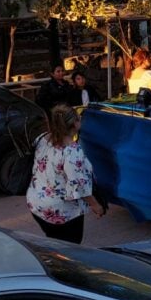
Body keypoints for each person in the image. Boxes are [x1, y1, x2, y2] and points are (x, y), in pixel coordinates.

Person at [26, 104, 105, 243]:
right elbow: (78, 186)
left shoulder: (42, 139)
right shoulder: (72, 152)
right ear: (75, 124)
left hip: (37, 204)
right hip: (61, 211)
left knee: (55, 242)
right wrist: (96, 205)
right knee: (70, 248)